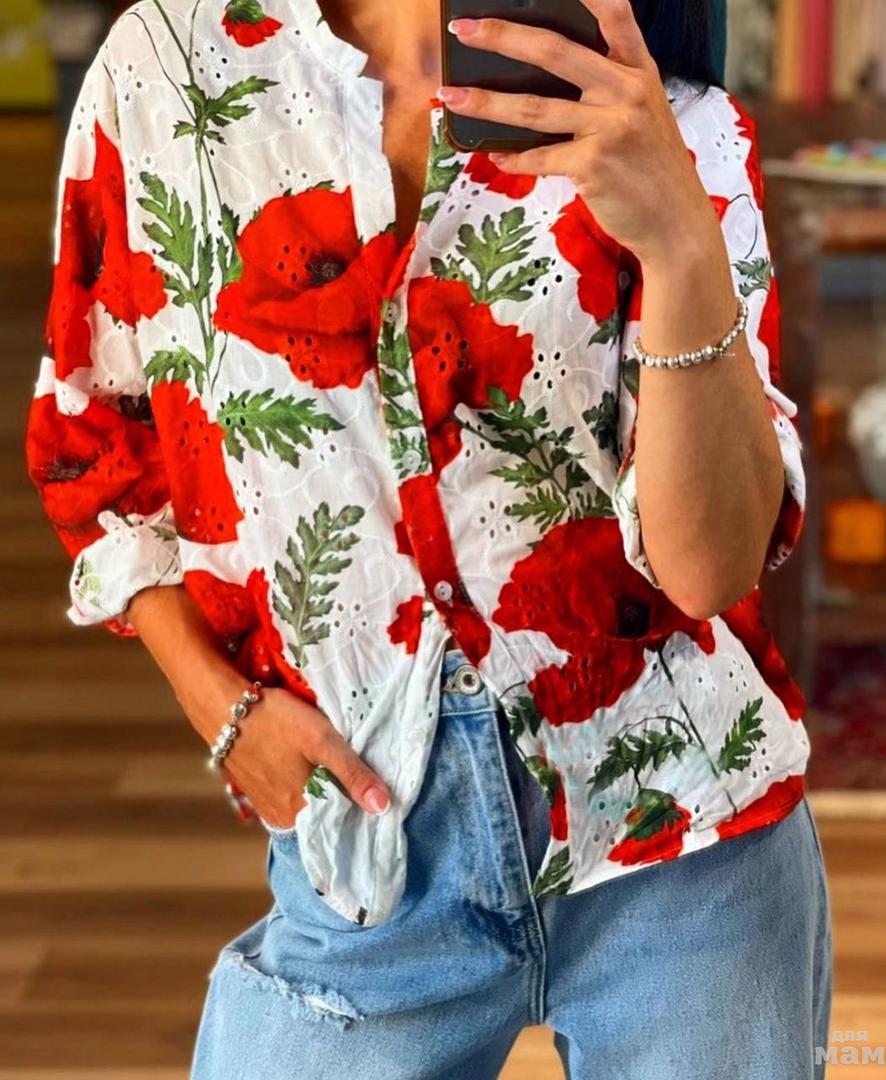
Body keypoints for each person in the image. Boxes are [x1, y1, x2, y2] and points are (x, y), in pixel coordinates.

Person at [24, 0, 833, 1076]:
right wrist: (218, 705)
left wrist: (681, 241)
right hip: (363, 857)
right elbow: (96, 444)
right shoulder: (168, 64)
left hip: (687, 842)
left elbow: (712, 569)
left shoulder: (667, 114)